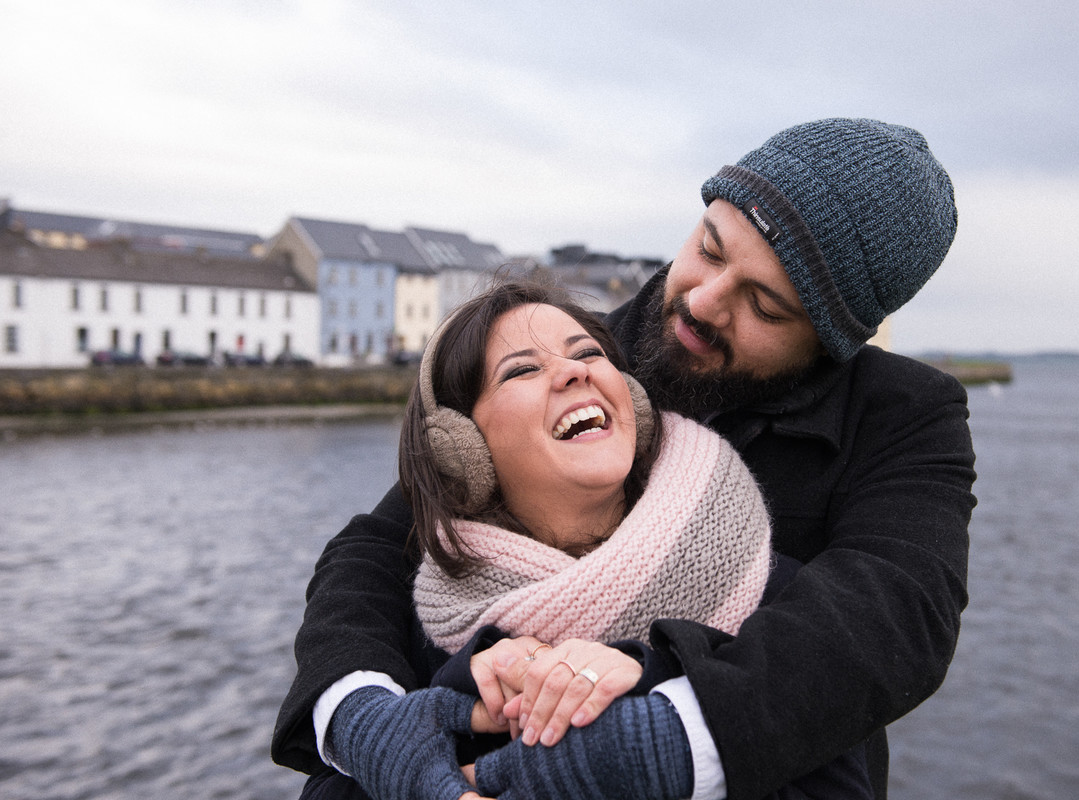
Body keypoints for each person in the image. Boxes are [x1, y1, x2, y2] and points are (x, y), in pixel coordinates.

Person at [273, 118, 977, 799]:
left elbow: (894, 614)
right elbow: (381, 541)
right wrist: (360, 714)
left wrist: (656, 735)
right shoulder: (580, 358)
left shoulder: (904, 414)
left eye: (762, 305)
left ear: (833, 343)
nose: (702, 302)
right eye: (709, 247)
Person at [306, 281, 873, 800]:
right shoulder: (419, 636)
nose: (575, 373)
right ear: (463, 449)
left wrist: (648, 708)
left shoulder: (784, 603)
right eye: (521, 370)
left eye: (587, 353)